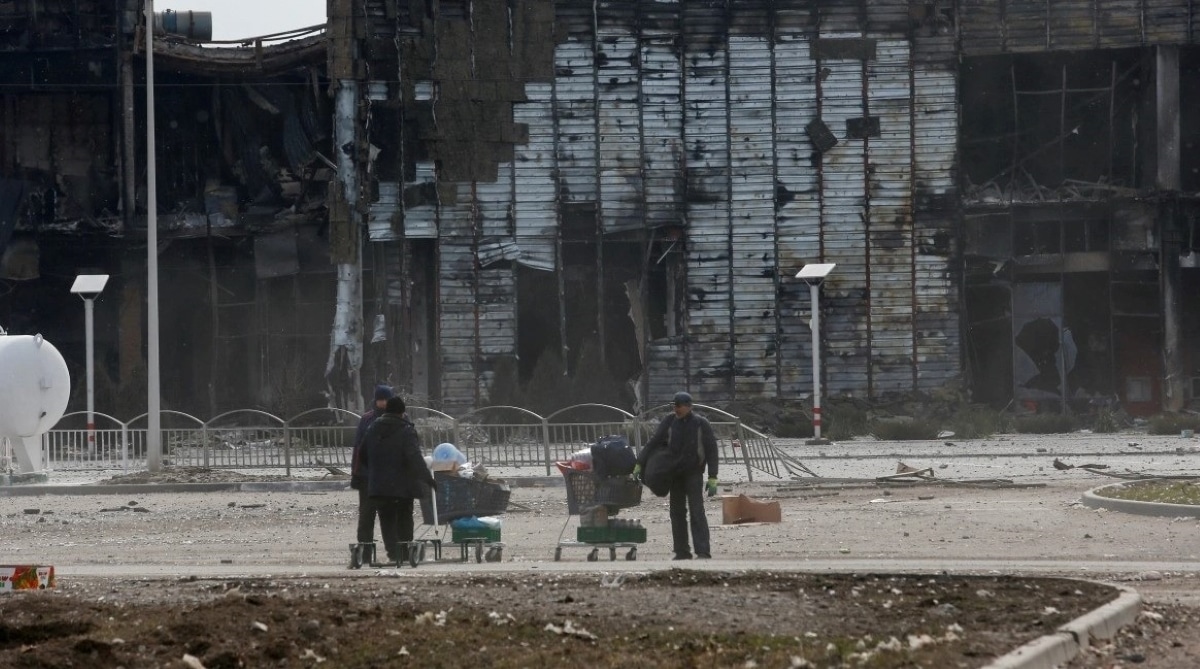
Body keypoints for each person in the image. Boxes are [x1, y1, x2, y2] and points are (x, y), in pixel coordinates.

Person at [633, 391, 719, 560]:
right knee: (677, 513)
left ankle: (703, 551)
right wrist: (640, 463)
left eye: (679, 406)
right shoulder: (669, 421)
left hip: (694, 473)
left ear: (689, 406)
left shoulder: (701, 424)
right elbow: (654, 442)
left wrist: (713, 476)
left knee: (697, 511)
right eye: (674, 406)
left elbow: (712, 451)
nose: (676, 409)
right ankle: (681, 551)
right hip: (675, 474)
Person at [359, 395, 436, 564]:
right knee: (404, 518)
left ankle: (393, 554)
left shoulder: (372, 428)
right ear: (402, 412)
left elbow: (362, 454)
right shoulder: (406, 430)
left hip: (379, 485)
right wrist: (427, 478)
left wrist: (375, 469)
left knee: (386, 519)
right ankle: (404, 553)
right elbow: (414, 456)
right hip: (403, 485)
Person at [350, 385, 393, 556]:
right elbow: (358, 450)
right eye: (380, 399)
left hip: (389, 479)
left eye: (385, 399)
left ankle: (393, 550)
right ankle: (365, 551)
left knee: (388, 517)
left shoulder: (400, 418)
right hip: (367, 478)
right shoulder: (366, 419)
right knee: (366, 517)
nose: (382, 403)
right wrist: (356, 474)